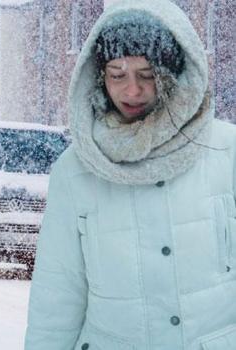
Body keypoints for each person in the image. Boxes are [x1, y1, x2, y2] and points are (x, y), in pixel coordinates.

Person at [25, 0, 236, 349]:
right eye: (117, 75)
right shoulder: (75, 170)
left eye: (147, 75)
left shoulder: (227, 151)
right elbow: (58, 293)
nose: (132, 90)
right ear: (99, 78)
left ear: (172, 75)